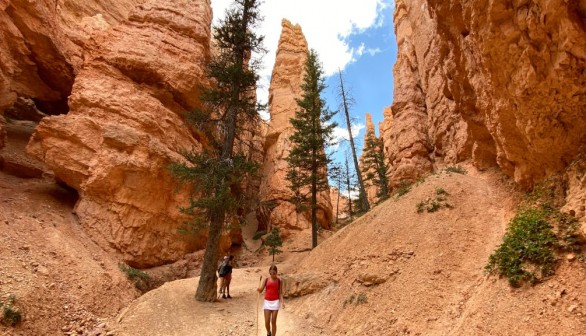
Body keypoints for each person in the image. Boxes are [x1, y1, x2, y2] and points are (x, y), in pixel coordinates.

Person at [257, 264, 284, 336]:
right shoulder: (266, 280)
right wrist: (259, 290)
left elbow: (280, 293)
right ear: (269, 272)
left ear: (276, 272)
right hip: (267, 302)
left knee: (273, 322)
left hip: (275, 302)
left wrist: (282, 302)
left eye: (274, 273)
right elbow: (261, 290)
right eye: (271, 273)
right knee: (267, 321)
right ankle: (268, 332)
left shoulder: (279, 281)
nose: (272, 275)